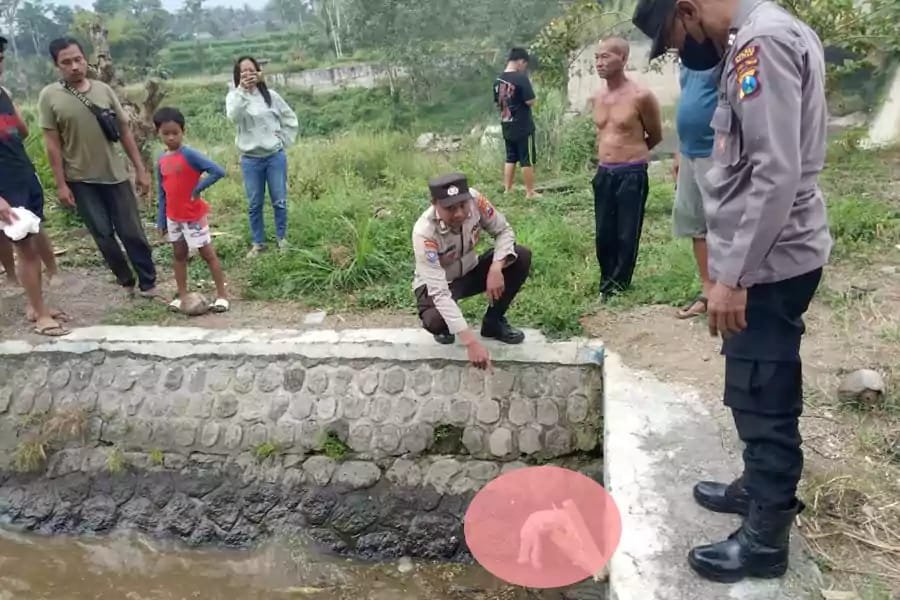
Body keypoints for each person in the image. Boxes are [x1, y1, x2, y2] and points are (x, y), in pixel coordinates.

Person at [634, 0, 832, 584]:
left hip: (768, 263)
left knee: (763, 394)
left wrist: (732, 277)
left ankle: (765, 539)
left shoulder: (758, 45)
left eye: (673, 38)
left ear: (688, 9)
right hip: (768, 255)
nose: (680, 52)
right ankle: (755, 488)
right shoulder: (773, 29)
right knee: (752, 377)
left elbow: (775, 172)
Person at [38, 37, 158, 299]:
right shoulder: (50, 97)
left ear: (85, 59)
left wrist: (140, 169)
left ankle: (148, 283)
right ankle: (125, 280)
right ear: (56, 65)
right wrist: (61, 184)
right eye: (66, 62)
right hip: (80, 180)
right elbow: (52, 145)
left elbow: (124, 131)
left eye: (78, 59)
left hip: (115, 174)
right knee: (103, 235)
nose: (74, 66)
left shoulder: (103, 90)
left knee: (132, 232)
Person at [412, 173, 532, 370]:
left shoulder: (476, 201)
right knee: (436, 320)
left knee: (521, 256)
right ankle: (446, 327)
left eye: (462, 205)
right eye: (450, 208)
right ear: (434, 203)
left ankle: (494, 322)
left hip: (470, 269)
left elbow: (504, 231)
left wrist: (496, 267)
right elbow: (440, 293)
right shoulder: (424, 232)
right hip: (440, 283)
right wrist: (471, 343)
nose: (459, 213)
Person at [0, 33, 68, 336]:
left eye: (1, 59)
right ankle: (41, 315)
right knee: (25, 248)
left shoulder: (2, 92)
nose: (0, 64)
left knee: (35, 234)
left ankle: (36, 304)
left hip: (24, 175)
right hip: (5, 187)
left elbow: (22, 131)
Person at [591, 37, 663, 299]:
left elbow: (655, 134)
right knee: (604, 232)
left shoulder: (640, 96)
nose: (600, 62)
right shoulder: (597, 96)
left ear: (623, 58)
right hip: (604, 171)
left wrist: (633, 155)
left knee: (626, 231)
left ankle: (620, 285)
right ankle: (606, 281)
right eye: (597, 57)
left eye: (606, 57)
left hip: (631, 171)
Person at [153, 107, 229, 314]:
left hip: (193, 215)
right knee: (179, 254)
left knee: (207, 254)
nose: (170, 138)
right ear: (158, 133)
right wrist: (161, 221)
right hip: (173, 217)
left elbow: (218, 171)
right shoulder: (161, 160)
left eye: (175, 133)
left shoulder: (190, 154)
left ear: (183, 131)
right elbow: (162, 192)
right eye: (165, 133)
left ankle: (222, 295)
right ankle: (182, 295)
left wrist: (197, 189)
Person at [226, 56, 299, 258]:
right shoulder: (234, 97)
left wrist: (282, 139)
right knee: (254, 203)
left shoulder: (271, 96)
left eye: (252, 70)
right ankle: (258, 243)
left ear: (259, 72)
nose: (248, 74)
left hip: (274, 156)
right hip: (250, 159)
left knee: (279, 200)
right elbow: (234, 117)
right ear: (237, 75)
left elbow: (289, 118)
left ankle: (282, 239)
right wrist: (242, 91)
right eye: (243, 71)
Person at [672, 63, 718, 319]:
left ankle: (734, 289)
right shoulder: (689, 62)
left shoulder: (727, 53)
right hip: (689, 152)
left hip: (719, 153)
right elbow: (688, 103)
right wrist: (679, 152)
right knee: (695, 225)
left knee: (725, 224)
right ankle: (708, 290)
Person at [493, 48, 540, 199]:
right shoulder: (521, 78)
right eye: (524, 64)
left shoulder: (498, 80)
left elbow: (497, 103)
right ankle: (530, 192)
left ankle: (508, 189)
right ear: (521, 61)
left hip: (506, 124)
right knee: (527, 159)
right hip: (523, 126)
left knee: (510, 157)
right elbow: (530, 101)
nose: (524, 67)